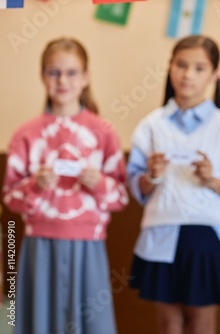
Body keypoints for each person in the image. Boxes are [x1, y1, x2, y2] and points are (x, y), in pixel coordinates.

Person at [127, 35, 220, 334]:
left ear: (214, 74)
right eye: (181, 65)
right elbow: (135, 184)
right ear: (170, 67)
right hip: (159, 234)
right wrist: (151, 176)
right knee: (168, 323)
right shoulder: (151, 125)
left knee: (201, 323)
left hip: (205, 238)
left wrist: (212, 180)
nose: (187, 74)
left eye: (199, 68)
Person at [2, 37, 129, 334]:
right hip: (39, 247)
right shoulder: (26, 134)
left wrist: (99, 184)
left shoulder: (103, 132)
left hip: (89, 246)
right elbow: (10, 196)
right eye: (54, 72)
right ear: (42, 75)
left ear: (85, 77)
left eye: (72, 72)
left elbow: (121, 196)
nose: (63, 80)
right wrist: (35, 185)